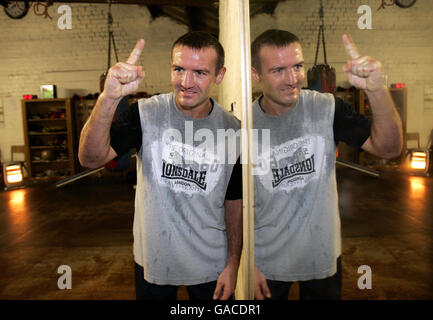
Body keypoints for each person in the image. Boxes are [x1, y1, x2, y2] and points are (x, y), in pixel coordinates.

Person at [78, 31, 242, 300]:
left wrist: (233, 263)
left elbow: (234, 202)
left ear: (219, 75)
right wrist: (108, 98)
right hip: (154, 262)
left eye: (200, 72)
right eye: (179, 69)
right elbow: (90, 159)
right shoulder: (145, 114)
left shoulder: (233, 130)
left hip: (211, 264)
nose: (186, 82)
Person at [251, 29, 402, 300]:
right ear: (255, 74)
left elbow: (389, 148)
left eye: (297, 66)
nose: (292, 79)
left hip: (321, 255)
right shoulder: (242, 123)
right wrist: (245, 262)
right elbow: (234, 202)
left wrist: (376, 90)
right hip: (265, 261)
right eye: (278, 70)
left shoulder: (328, 108)